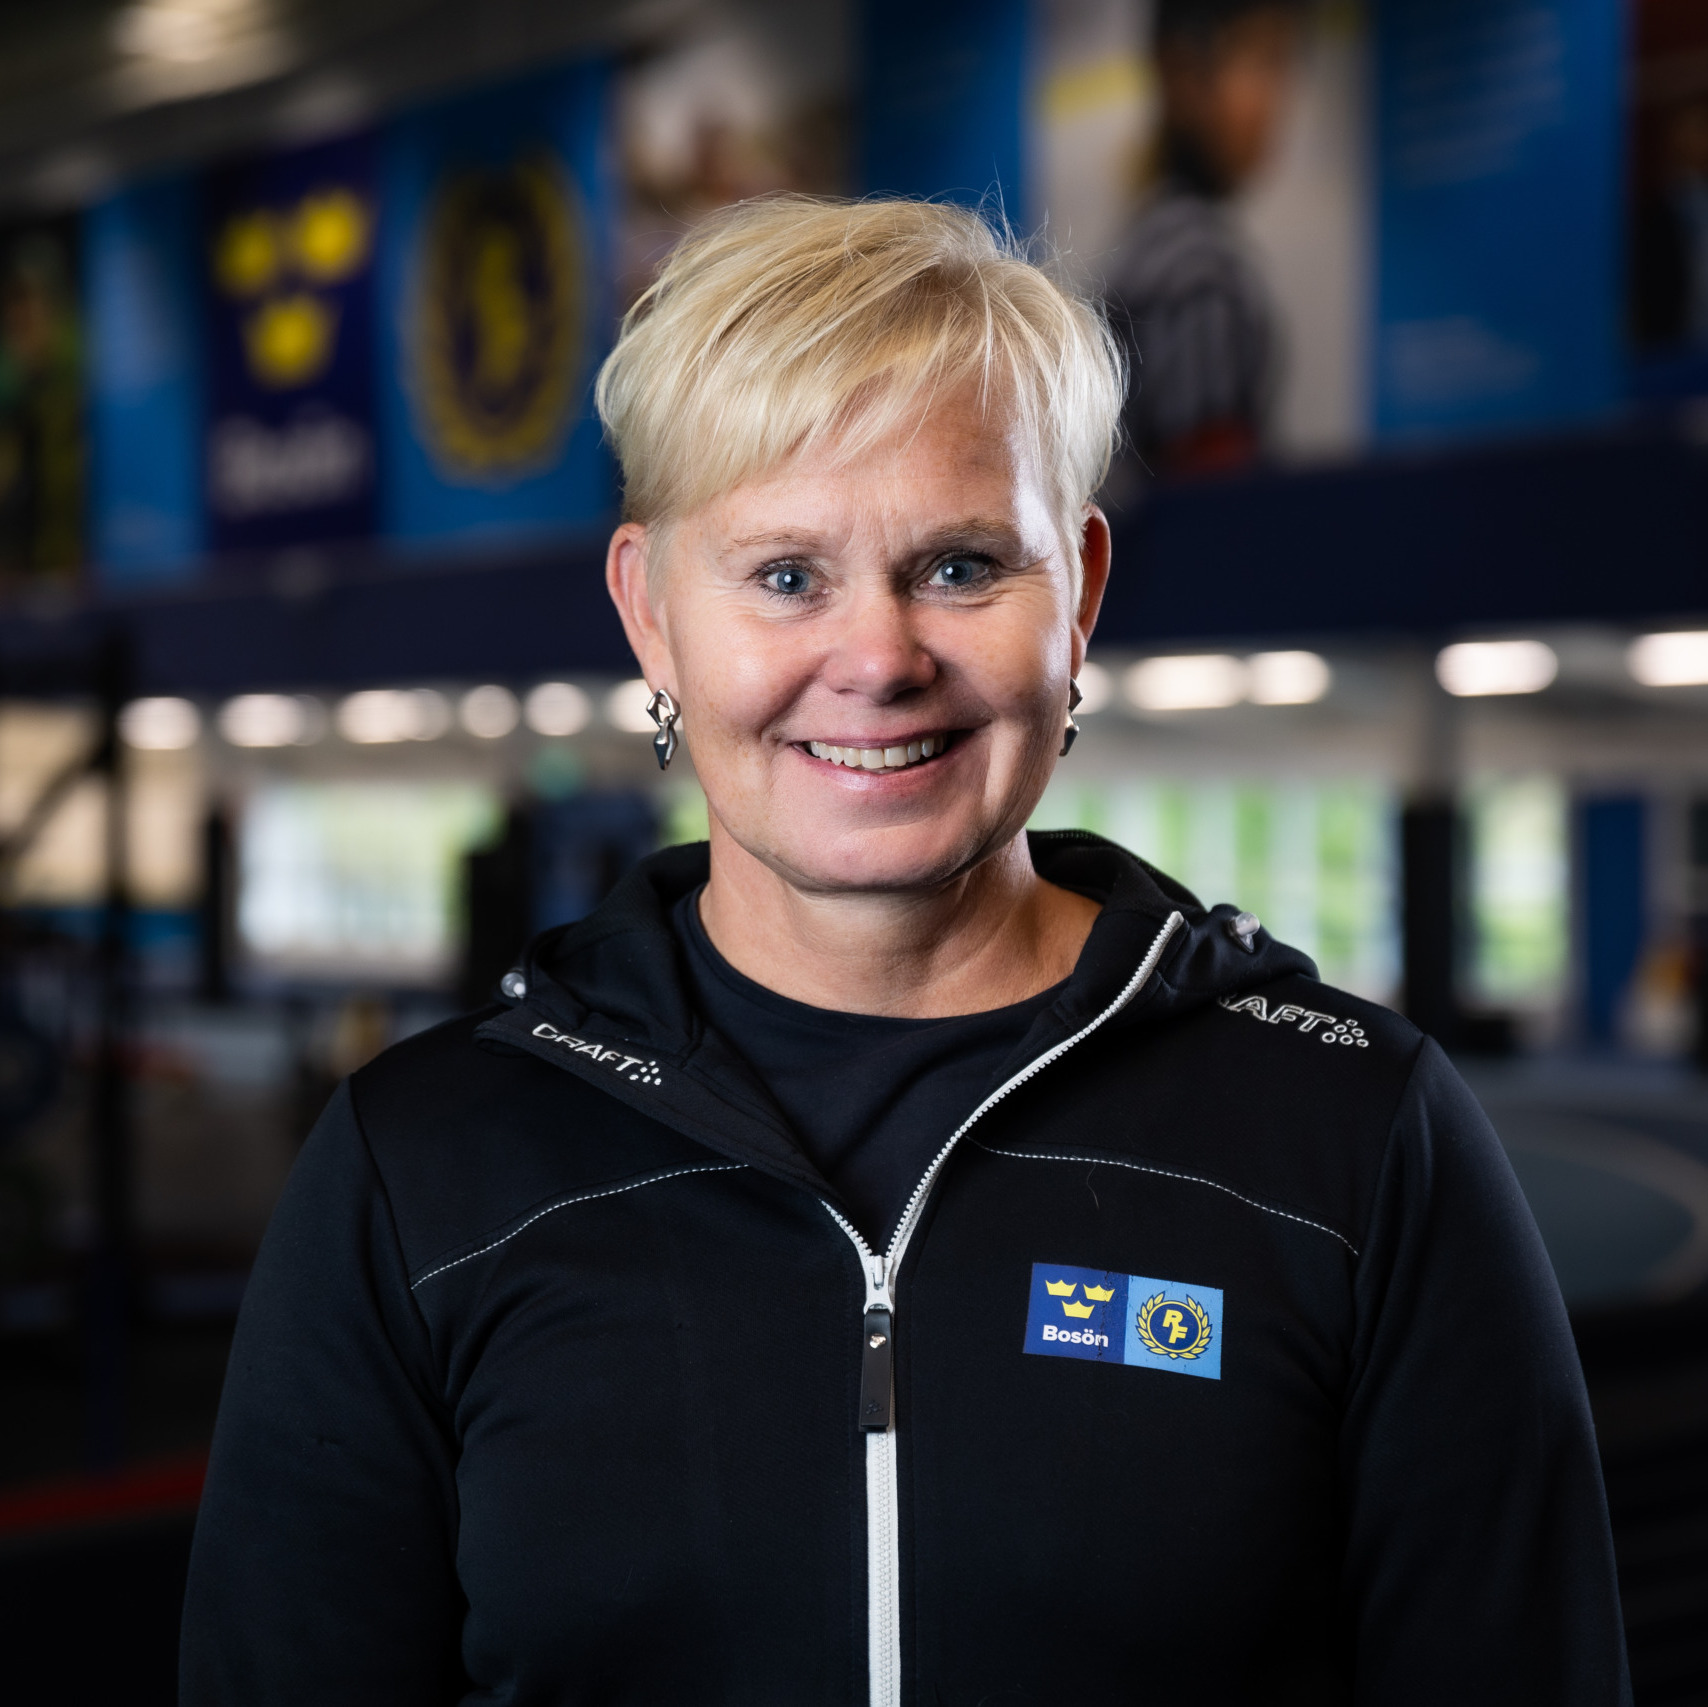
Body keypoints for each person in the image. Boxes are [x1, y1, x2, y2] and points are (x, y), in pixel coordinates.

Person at [181, 196, 1629, 1705]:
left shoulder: (1353, 1137)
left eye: (959, 566)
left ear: (1082, 592)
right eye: (785, 576)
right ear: (651, 615)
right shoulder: (422, 1171)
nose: (877, 659)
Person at [1106, 0, 1302, 489]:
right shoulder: (1197, 271)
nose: (1276, 100)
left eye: (1282, 66)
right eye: (1260, 62)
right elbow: (1212, 503)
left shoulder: (1152, 241)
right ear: (1183, 73)